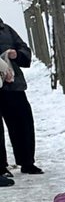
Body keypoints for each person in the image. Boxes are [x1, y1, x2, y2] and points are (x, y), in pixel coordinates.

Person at [0, 15, 39, 182]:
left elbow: (24, 50)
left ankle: (27, 162)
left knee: (23, 122)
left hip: (12, 84)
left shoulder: (6, 30)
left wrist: (17, 54)